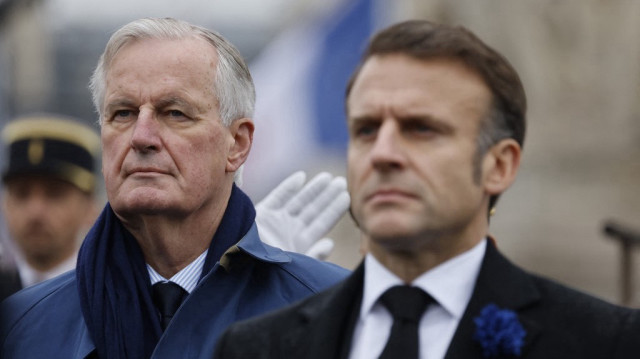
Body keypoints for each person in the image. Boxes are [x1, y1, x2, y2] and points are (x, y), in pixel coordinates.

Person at [213, 20, 640, 359]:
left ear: (499, 165)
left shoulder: (605, 341)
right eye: (366, 130)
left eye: (421, 129)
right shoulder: (257, 347)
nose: (384, 153)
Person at [0, 17, 349, 359]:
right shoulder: (21, 324)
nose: (141, 137)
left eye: (175, 113)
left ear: (238, 144)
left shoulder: (334, 310)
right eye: (122, 113)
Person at [0, 115, 100, 297]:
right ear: (5, 204)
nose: (35, 211)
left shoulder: (106, 296)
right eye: (21, 193)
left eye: (55, 194)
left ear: (90, 207)